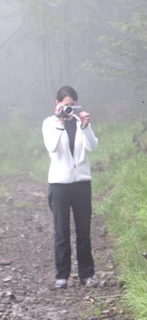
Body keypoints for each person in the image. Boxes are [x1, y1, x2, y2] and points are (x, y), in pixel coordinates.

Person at [42, 85, 99, 289]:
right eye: (66, 105)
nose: (69, 109)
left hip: (82, 182)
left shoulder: (79, 122)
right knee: (61, 231)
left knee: (83, 230)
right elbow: (52, 147)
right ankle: (62, 275)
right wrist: (59, 121)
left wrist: (85, 125)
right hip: (59, 184)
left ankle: (87, 273)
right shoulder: (49, 124)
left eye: (72, 105)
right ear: (57, 104)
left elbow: (92, 146)